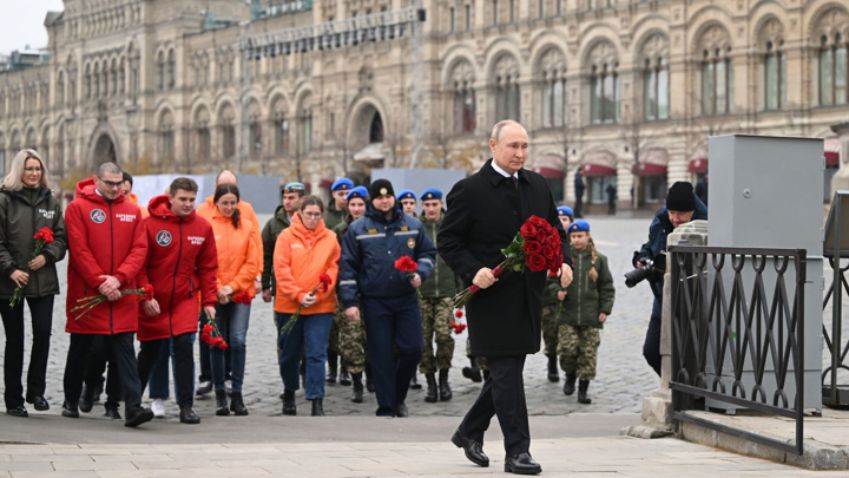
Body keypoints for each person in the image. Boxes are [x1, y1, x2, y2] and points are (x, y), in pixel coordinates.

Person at [438, 120, 573, 474]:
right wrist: (473, 270)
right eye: (513, 146)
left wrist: (564, 261)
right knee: (507, 371)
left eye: (525, 146)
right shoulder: (469, 190)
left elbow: (555, 232)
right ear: (493, 145)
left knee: (506, 372)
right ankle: (518, 452)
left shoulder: (538, 185)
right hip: (490, 298)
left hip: (528, 294)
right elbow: (448, 241)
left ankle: (469, 430)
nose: (520, 153)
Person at [62, 162, 154, 428]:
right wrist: (100, 281)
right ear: (96, 181)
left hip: (122, 294)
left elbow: (139, 249)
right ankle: (70, 400)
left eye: (119, 183)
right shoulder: (77, 208)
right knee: (80, 350)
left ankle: (133, 407)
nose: (116, 188)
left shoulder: (132, 211)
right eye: (110, 183)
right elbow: (79, 250)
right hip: (88, 295)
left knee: (125, 352)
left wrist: (119, 278)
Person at [339, 179, 436, 417]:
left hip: (405, 299)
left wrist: (420, 272)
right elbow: (348, 267)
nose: (384, 201)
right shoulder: (358, 229)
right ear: (372, 200)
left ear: (393, 198)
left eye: (388, 197)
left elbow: (427, 253)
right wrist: (350, 302)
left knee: (413, 349)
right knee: (381, 355)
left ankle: (398, 396)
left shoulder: (412, 225)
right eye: (379, 197)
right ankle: (386, 406)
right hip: (375, 300)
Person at [136, 178, 218, 424]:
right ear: (170, 198)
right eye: (182, 199)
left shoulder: (202, 228)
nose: (187, 204)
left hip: (184, 298)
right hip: (155, 299)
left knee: (184, 347)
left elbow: (208, 267)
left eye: (192, 199)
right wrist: (146, 294)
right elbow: (140, 265)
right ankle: (132, 401)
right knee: (150, 351)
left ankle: (186, 405)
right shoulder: (150, 225)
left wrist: (209, 300)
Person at [0, 149, 67, 417]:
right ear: (19, 170)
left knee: (42, 333)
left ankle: (36, 392)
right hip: (10, 281)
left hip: (42, 279)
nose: (34, 173)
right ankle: (13, 398)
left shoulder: (50, 200)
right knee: (15, 339)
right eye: (29, 168)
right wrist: (10, 269)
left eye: (38, 169)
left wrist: (47, 255)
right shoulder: (4, 199)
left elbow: (61, 239)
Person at [195, 170, 262, 397]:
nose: (229, 206)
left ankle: (234, 383)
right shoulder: (204, 216)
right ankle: (213, 381)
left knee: (237, 339)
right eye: (225, 202)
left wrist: (235, 285)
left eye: (233, 202)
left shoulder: (246, 218)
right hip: (213, 291)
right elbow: (202, 259)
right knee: (213, 337)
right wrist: (217, 287)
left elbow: (254, 256)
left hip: (239, 289)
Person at [274, 196, 341, 416]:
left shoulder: (330, 238)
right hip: (289, 305)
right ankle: (289, 392)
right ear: (300, 214)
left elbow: (333, 269)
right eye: (309, 214)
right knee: (289, 353)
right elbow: (281, 269)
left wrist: (319, 294)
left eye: (317, 214)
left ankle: (316, 399)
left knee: (316, 353)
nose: (312, 218)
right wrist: (298, 294)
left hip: (320, 307)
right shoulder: (286, 237)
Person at [636, 181, 707, 376]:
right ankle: (675, 386)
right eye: (672, 212)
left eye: (681, 214)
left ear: (692, 211)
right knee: (651, 351)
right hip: (663, 297)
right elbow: (649, 246)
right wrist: (642, 258)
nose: (675, 218)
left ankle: (686, 388)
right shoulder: (660, 220)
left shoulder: (706, 224)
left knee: (691, 355)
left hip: (694, 300)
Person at [559, 220, 614, 404]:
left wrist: (605, 309)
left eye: (580, 236)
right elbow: (550, 282)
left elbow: (606, 287)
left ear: (587, 236)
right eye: (573, 236)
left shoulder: (599, 260)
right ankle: (570, 375)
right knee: (568, 350)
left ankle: (583, 390)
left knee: (588, 354)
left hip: (591, 316)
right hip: (568, 315)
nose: (576, 240)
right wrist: (557, 292)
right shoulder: (564, 260)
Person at [418, 187, 459, 403]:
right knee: (423, 340)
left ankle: (444, 378)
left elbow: (459, 255)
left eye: (434, 204)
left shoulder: (450, 225)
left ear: (441, 204)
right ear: (422, 206)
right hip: (422, 293)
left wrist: (461, 288)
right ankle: (431, 383)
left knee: (444, 336)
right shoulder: (416, 227)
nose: (431, 208)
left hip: (445, 291)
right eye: (427, 205)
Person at [333, 186, 371, 402]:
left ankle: (372, 374)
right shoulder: (340, 230)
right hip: (348, 291)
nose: (356, 209)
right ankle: (357, 381)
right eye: (353, 205)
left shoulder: (374, 227)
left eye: (360, 205)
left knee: (371, 337)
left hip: (371, 291)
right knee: (351, 338)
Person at [541, 206, 574, 383]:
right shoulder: (548, 243)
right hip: (550, 299)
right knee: (550, 332)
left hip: (571, 300)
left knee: (569, 338)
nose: (562, 222)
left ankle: (570, 371)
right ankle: (552, 361)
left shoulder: (578, 242)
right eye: (559, 219)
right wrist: (555, 291)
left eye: (565, 219)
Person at [326, 178, 353, 385]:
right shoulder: (325, 217)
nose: (344, 197)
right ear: (333, 194)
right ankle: (332, 368)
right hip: (331, 278)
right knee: (331, 328)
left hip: (350, 278)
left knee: (348, 327)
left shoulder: (355, 215)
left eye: (347, 193)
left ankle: (345, 368)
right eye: (340, 193)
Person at [261, 182, 304, 304]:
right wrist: (265, 286)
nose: (287, 201)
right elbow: (266, 256)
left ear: (302, 199)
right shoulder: (273, 224)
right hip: (281, 286)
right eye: (285, 198)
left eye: (291, 198)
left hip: (306, 285)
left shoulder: (310, 221)